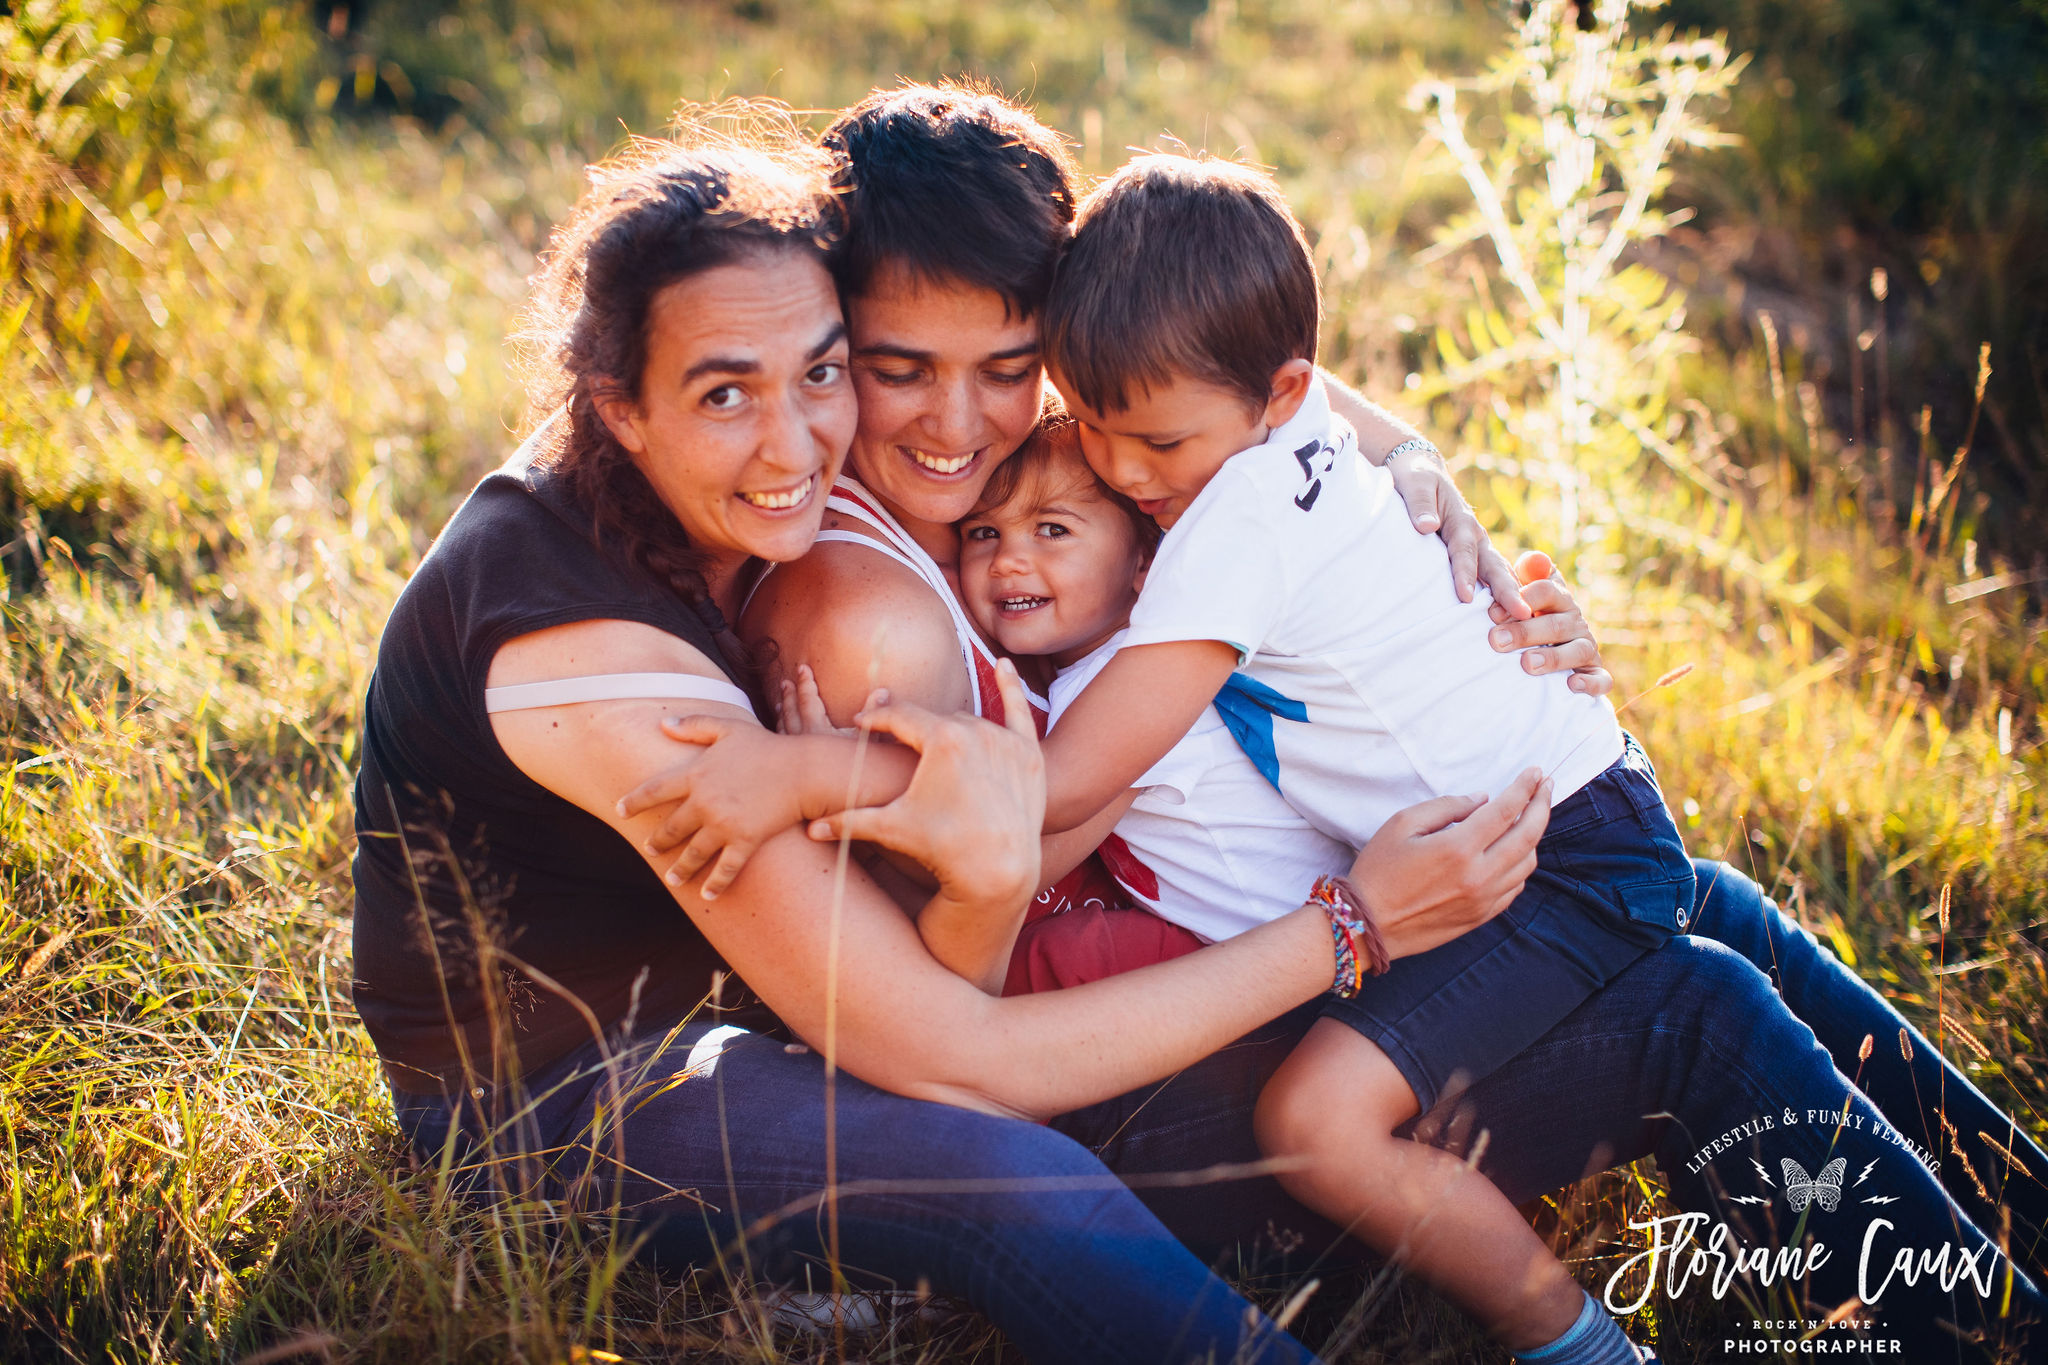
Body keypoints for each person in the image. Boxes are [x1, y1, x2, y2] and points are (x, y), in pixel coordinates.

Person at [622, 88, 2044, 1358]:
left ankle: (2017, 1224)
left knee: (1704, 903)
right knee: (1690, 998)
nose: (967, 421)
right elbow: (967, 1012)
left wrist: (1425, 494)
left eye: (1014, 364)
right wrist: (1352, 925)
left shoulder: (1011, 445)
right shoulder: (876, 607)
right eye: (896, 367)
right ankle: (1978, 1330)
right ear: (831, 335)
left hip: (1208, 961)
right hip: (1118, 1092)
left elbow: (1267, 387)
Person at [351, 131, 1559, 1365]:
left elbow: (1210, 350)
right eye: (724, 395)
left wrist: (1411, 465)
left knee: (1564, 949)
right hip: (574, 1080)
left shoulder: (785, 302)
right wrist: (1344, 925)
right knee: (1021, 1183)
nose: (791, 444)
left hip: (808, 988)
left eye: (820, 374)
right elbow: (954, 1054)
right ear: (619, 405)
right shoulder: (599, 671)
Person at [1019, 152, 1687, 1361]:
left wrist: (845, 785)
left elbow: (1068, 782)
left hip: (1560, 861)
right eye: (1091, 427)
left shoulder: (1232, 524)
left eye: (1155, 443)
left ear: (1279, 390)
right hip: (1576, 806)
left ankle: (1578, 1345)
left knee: (1316, 1118)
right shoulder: (1301, 435)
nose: (1118, 473)